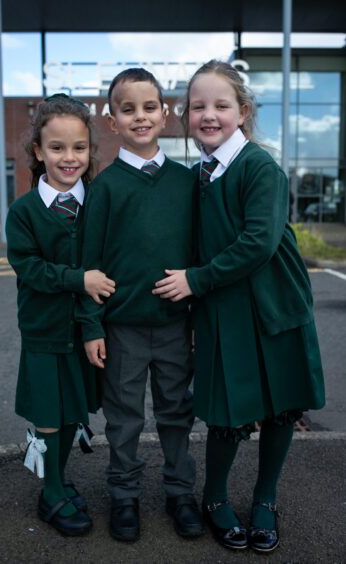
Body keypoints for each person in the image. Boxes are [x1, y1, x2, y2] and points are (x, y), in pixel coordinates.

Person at [152, 60, 325, 553]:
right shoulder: (198, 175)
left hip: (274, 307)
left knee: (278, 408)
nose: (209, 115)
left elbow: (258, 244)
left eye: (221, 105)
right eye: (198, 107)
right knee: (226, 412)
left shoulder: (260, 166)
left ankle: (265, 499)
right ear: (186, 116)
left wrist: (196, 280)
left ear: (242, 111)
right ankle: (214, 498)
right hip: (223, 310)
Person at [77, 68, 204, 542]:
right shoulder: (105, 187)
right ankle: (124, 496)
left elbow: (199, 256)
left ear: (165, 113)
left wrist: (199, 314)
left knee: (176, 413)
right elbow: (90, 263)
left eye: (149, 107)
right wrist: (92, 326)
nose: (140, 117)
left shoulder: (186, 182)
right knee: (124, 419)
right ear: (112, 121)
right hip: (122, 329)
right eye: (128, 109)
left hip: (175, 325)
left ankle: (179, 492)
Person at [6, 94, 115, 537]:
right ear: (38, 151)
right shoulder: (24, 212)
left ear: (90, 150)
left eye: (78, 148)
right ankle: (50, 491)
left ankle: (58, 476)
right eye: (57, 148)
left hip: (85, 330)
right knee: (48, 412)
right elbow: (29, 268)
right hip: (44, 329)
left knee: (74, 411)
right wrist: (79, 280)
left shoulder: (98, 204)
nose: (68, 158)